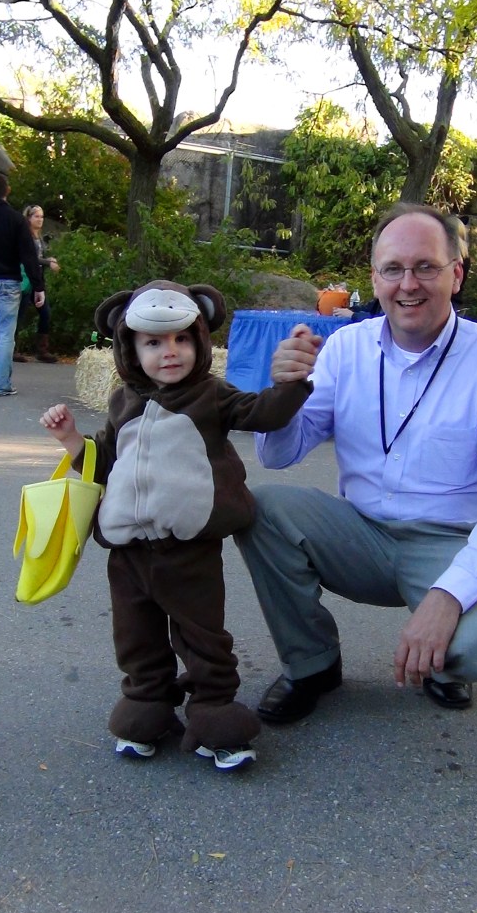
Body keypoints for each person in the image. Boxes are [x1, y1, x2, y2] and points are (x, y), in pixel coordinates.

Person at [234, 202, 477, 724]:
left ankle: (447, 665)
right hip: (360, 533)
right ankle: (312, 664)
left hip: (448, 545)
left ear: (457, 273)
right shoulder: (344, 350)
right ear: (376, 279)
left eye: (426, 266)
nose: (409, 284)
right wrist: (283, 394)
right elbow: (280, 454)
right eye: (393, 269)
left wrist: (449, 596)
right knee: (260, 507)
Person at [40, 280, 312, 770]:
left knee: (203, 636)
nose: (170, 352)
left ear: (201, 341)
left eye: (182, 339)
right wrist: (69, 440)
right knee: (136, 637)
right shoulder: (123, 401)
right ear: (130, 349)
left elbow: (263, 413)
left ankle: (213, 712)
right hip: (127, 555)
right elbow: (102, 464)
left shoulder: (212, 395)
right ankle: (148, 707)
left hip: (189, 551)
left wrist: (291, 383)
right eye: (153, 342)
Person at [0, 173, 44, 396]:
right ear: (7, 191)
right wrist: (38, 287)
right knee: (4, 336)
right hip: (9, 283)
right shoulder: (16, 220)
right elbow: (29, 257)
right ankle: (1, 385)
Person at [14, 204, 60, 363]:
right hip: (25, 279)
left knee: (45, 313)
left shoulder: (38, 236)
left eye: (42, 216)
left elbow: (38, 257)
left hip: (37, 280)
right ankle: (12, 349)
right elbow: (28, 258)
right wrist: (48, 262)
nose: (40, 219)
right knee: (19, 314)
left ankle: (42, 350)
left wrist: (48, 260)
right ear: (29, 217)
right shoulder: (24, 235)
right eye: (36, 216)